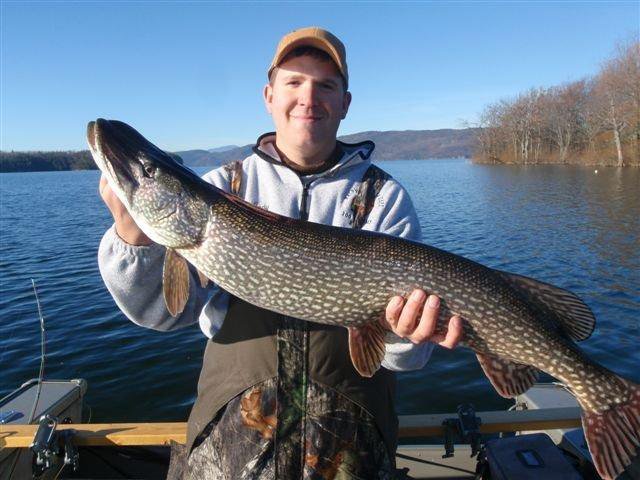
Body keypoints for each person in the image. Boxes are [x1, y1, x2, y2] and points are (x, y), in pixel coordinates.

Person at [98, 26, 462, 479]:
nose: (309, 97)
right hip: (232, 448)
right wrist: (135, 238)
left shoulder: (383, 198)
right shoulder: (222, 188)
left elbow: (402, 358)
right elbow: (162, 313)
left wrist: (402, 334)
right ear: (269, 96)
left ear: (345, 103)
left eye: (326, 85)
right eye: (294, 82)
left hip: (349, 454)